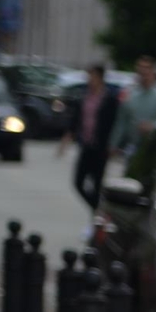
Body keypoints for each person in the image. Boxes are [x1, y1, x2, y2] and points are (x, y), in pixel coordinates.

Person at [58, 63, 114, 208]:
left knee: (96, 185)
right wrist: (66, 139)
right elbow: (76, 120)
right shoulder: (84, 97)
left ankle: (96, 215)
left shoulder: (109, 99)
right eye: (89, 76)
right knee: (78, 182)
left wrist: (113, 144)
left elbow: (114, 123)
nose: (90, 80)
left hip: (101, 147)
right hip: (86, 145)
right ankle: (97, 209)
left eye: (93, 76)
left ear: (100, 78)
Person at [108, 55, 156, 163]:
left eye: (147, 68)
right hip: (132, 147)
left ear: (153, 71)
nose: (143, 72)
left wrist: (154, 126)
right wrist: (113, 144)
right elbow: (121, 121)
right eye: (140, 68)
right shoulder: (130, 94)